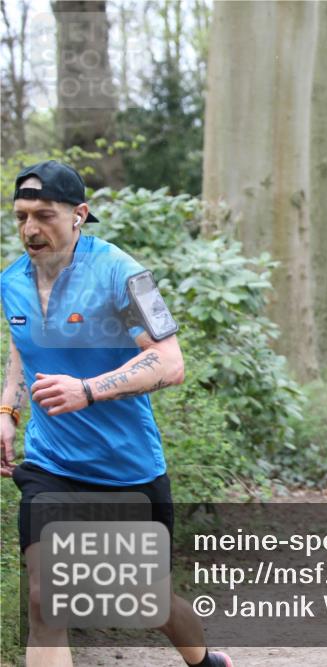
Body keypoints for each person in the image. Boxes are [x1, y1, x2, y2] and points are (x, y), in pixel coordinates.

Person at [0, 161, 232, 667]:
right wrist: (7, 411)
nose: (30, 230)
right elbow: (23, 346)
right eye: (20, 217)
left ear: (80, 214)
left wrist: (88, 389)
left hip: (126, 470)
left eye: (44, 215)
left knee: (148, 601)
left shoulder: (123, 274)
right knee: (45, 600)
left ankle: (207, 661)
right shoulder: (11, 281)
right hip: (52, 468)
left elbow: (170, 363)